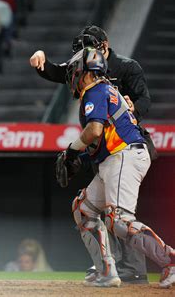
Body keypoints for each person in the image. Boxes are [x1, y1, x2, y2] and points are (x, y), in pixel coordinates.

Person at [30, 25, 151, 284]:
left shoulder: (126, 67)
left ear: (104, 46)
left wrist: (133, 107)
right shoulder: (83, 67)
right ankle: (112, 267)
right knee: (103, 210)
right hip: (103, 149)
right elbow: (55, 71)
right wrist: (41, 60)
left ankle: (136, 268)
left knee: (119, 214)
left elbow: (145, 101)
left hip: (125, 143)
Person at [63, 48, 174, 288]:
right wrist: (79, 155)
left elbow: (94, 130)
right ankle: (106, 271)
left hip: (124, 154)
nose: (72, 77)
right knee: (83, 209)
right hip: (116, 156)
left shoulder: (96, 90)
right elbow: (99, 137)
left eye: (75, 72)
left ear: (85, 72)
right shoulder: (104, 89)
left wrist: (71, 150)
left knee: (119, 220)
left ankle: (171, 261)